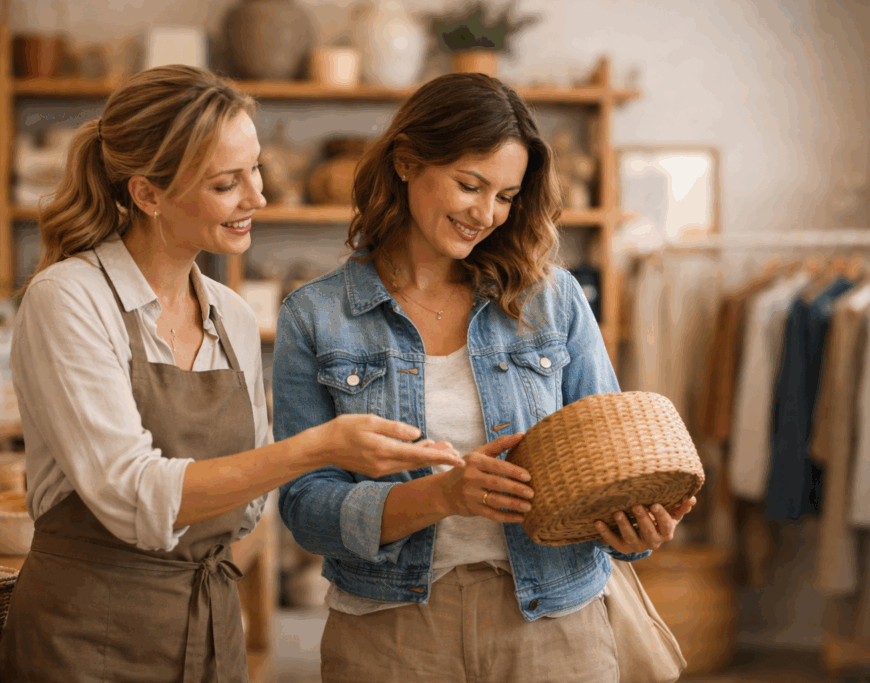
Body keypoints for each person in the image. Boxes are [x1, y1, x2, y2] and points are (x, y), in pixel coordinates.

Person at [0, 65, 463, 683]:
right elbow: (131, 494)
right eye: (226, 183)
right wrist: (313, 448)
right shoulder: (70, 298)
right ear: (148, 194)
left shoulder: (231, 313)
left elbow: (244, 513)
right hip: (83, 636)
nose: (258, 197)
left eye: (256, 169)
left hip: (209, 629)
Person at [271, 72, 697, 683]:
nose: (486, 214)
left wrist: (636, 529)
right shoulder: (316, 315)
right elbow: (306, 507)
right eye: (470, 185)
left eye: (505, 196)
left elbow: (610, 461)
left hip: (553, 622)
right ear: (406, 161)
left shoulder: (553, 300)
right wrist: (441, 496)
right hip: (390, 631)